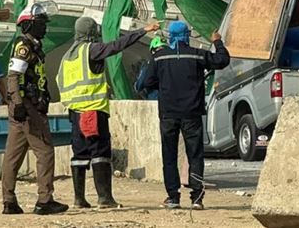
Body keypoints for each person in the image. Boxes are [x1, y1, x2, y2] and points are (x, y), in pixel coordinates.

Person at [56, 17, 159, 209]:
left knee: (79, 155)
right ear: (91, 33)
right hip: (93, 110)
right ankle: (104, 198)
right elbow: (116, 46)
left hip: (74, 112)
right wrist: (142, 31)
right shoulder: (90, 50)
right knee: (100, 152)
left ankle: (79, 199)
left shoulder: (67, 57)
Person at [139, 21, 230, 210]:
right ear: (187, 35)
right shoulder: (197, 55)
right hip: (192, 114)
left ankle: (173, 197)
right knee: (195, 155)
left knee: (169, 155)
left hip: (168, 114)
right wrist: (217, 42)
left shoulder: (160, 58)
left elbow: (147, 82)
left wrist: (165, 88)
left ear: (170, 36)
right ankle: (197, 198)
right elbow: (222, 60)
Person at [1, 3, 69, 215]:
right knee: (45, 151)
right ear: (29, 25)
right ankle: (44, 200)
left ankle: (9, 201)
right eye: (41, 24)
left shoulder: (34, 46)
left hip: (23, 106)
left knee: (13, 155)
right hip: (27, 107)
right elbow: (13, 76)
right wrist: (20, 103)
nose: (45, 28)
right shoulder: (25, 46)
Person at [134, 36, 165, 101]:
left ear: (153, 51)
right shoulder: (174, 64)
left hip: (155, 101)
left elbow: (138, 86)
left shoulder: (148, 65)